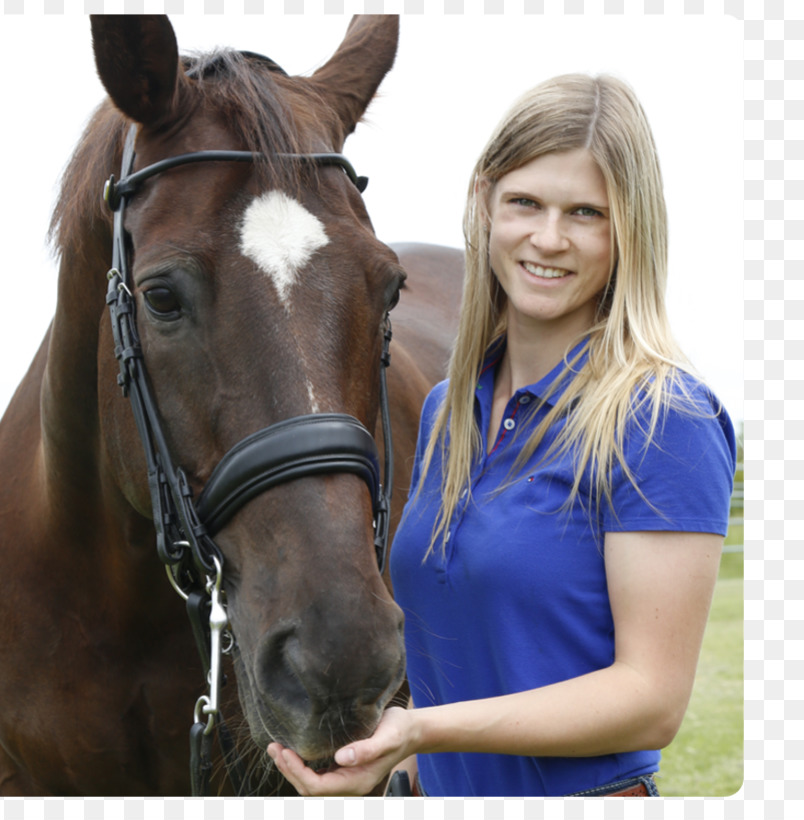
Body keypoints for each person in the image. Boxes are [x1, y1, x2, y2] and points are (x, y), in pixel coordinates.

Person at [267, 73, 736, 797]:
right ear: (485, 202)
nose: (548, 239)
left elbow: (650, 700)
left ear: (630, 229)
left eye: (586, 213)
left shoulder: (663, 417)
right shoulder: (449, 410)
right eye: (526, 203)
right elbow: (481, 661)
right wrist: (392, 758)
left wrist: (424, 728)